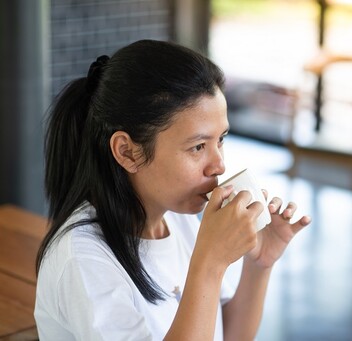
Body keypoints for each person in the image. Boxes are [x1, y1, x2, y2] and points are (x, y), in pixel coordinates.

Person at [34, 39, 311, 341]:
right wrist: (210, 264)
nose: (219, 165)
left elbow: (230, 336)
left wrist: (259, 263)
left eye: (221, 140)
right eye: (198, 146)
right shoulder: (84, 260)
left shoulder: (178, 218)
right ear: (127, 152)